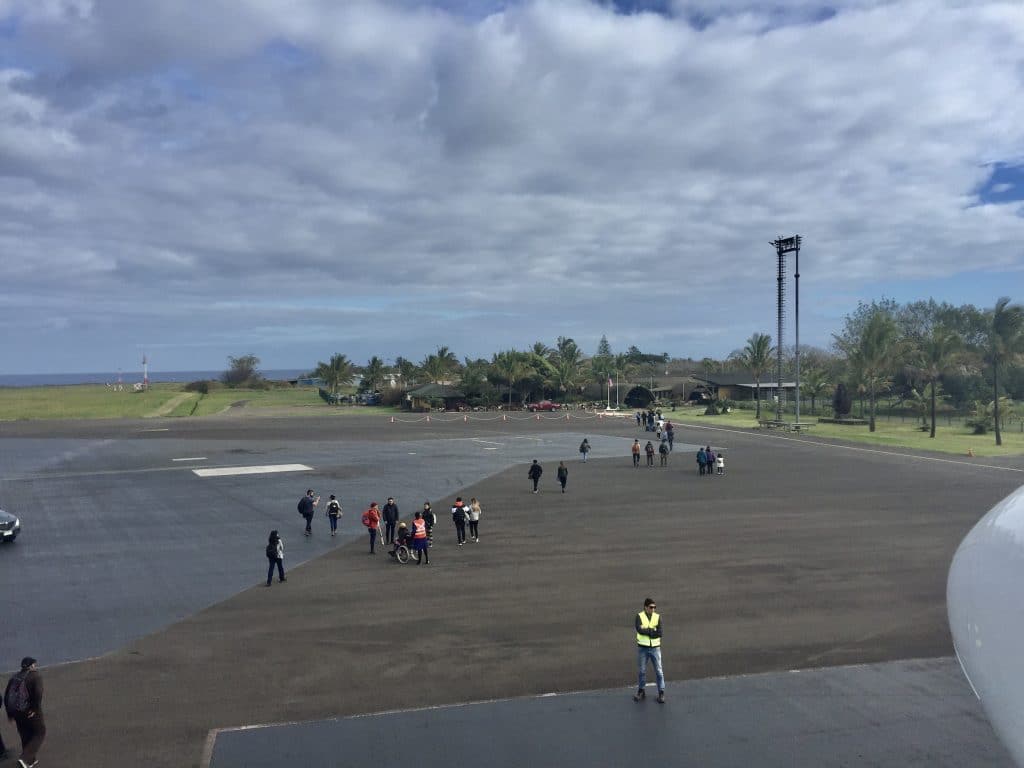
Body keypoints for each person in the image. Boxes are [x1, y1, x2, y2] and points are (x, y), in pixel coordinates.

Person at [4, 656, 45, 767]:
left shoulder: (14, 678)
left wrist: (10, 713)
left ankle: (30, 760)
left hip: (16, 712)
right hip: (29, 711)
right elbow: (38, 694)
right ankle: (25, 759)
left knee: (25, 734)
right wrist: (34, 709)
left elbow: (7, 696)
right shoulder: (35, 676)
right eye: (34, 664)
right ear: (31, 666)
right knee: (39, 732)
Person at [633, 598, 665, 704]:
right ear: (645, 607)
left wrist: (647, 630)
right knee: (642, 671)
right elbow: (639, 629)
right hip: (643, 648)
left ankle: (661, 692)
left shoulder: (658, 617)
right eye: (651, 607)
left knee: (659, 671)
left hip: (655, 648)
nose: (653, 609)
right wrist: (653, 630)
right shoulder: (639, 616)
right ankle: (641, 690)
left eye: (654, 607)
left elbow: (660, 633)